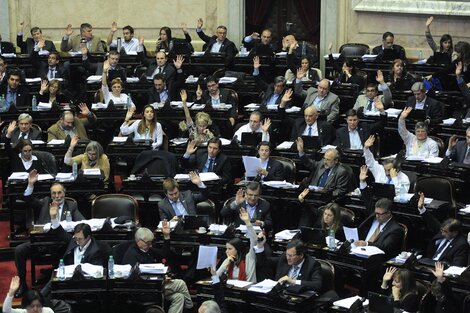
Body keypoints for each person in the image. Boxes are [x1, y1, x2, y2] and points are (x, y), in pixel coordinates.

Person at [14, 170, 85, 297]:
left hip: (61, 244)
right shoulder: (45, 202)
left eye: (59, 193)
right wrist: (30, 184)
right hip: (41, 243)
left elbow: (82, 223)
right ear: (50, 194)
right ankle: (23, 284)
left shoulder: (72, 206)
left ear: (64, 193)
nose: (57, 196)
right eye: (54, 193)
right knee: (19, 250)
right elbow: (28, 200)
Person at [122, 226, 193, 313]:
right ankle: (191, 309)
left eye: (151, 243)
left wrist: (166, 237)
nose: (150, 245)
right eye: (147, 243)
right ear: (139, 241)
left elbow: (164, 254)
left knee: (179, 297)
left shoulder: (147, 249)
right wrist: (160, 278)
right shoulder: (132, 255)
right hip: (145, 289)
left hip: (156, 283)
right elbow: (137, 278)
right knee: (181, 284)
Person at [417, 192, 468, 266]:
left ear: (455, 232)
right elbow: (431, 221)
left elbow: (457, 266)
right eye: (442, 230)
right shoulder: (444, 230)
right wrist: (421, 208)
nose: (442, 233)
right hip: (428, 263)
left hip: (441, 270)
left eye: (445, 232)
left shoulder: (461, 244)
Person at [256, 239, 322, 292]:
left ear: (301, 255)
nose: (288, 258)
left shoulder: (312, 264)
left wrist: (293, 281)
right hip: (281, 295)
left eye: (291, 256)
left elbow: (317, 285)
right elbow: (264, 262)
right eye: (287, 254)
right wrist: (260, 246)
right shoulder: (284, 258)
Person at [216, 208, 259, 283]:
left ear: (237, 249)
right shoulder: (228, 260)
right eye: (226, 249)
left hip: (247, 290)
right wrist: (226, 264)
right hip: (232, 290)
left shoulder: (249, 257)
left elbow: (254, 240)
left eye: (230, 249)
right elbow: (214, 278)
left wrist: (247, 222)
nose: (227, 251)